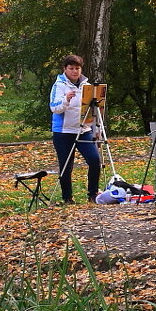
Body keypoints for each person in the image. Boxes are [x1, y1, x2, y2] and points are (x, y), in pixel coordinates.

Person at [49, 54, 102, 204]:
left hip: (83, 130)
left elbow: (95, 109)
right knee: (66, 165)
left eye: (77, 68)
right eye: (71, 68)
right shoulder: (59, 85)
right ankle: (67, 198)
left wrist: (96, 127)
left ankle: (93, 194)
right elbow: (54, 108)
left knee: (94, 159)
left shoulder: (87, 86)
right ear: (65, 69)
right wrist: (66, 99)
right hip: (63, 132)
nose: (74, 71)